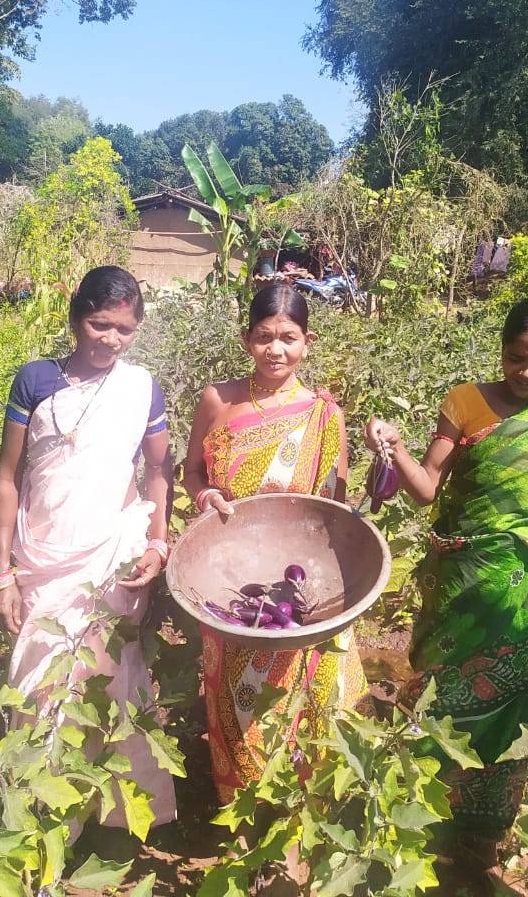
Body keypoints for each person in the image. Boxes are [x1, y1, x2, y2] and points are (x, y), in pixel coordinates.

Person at [365, 296, 528, 888]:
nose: (527, 372)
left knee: (514, 715)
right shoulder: (465, 401)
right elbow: (425, 490)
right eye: (516, 357)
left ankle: (485, 834)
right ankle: (425, 820)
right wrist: (392, 447)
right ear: (500, 350)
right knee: (442, 698)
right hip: (463, 589)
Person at [0, 265, 176, 830]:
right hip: (43, 556)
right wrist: (3, 572)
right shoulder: (36, 380)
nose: (111, 340)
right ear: (75, 319)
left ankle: (115, 819)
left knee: (111, 676)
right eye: (100, 325)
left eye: (125, 330)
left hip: (109, 557)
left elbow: (160, 471)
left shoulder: (141, 388)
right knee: (41, 679)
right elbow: (8, 477)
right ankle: (40, 819)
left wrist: (158, 542)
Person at [182, 284, 367, 803]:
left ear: (307, 341)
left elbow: (334, 507)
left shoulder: (323, 414)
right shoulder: (218, 400)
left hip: (298, 582)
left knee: (304, 692)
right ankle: (240, 809)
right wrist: (207, 495)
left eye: (288, 337)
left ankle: (296, 815)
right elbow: (192, 472)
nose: (275, 349)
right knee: (235, 697)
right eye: (264, 337)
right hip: (231, 578)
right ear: (247, 340)